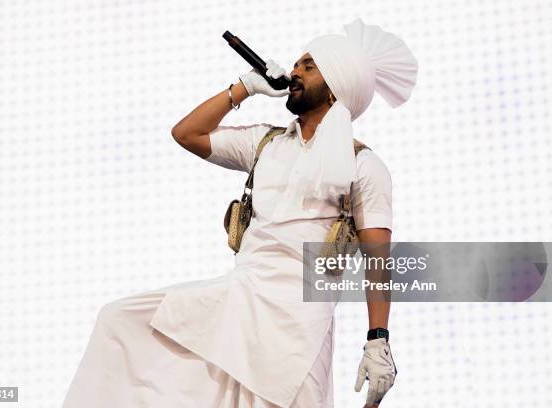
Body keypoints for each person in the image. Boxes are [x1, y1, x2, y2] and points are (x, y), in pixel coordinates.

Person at [62, 18, 417, 408]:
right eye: (297, 64)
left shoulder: (363, 166)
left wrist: (377, 339)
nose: (294, 72)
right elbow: (187, 134)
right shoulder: (264, 144)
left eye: (309, 66)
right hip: (240, 299)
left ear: (335, 89)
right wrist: (243, 88)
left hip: (299, 325)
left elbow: (377, 257)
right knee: (120, 321)